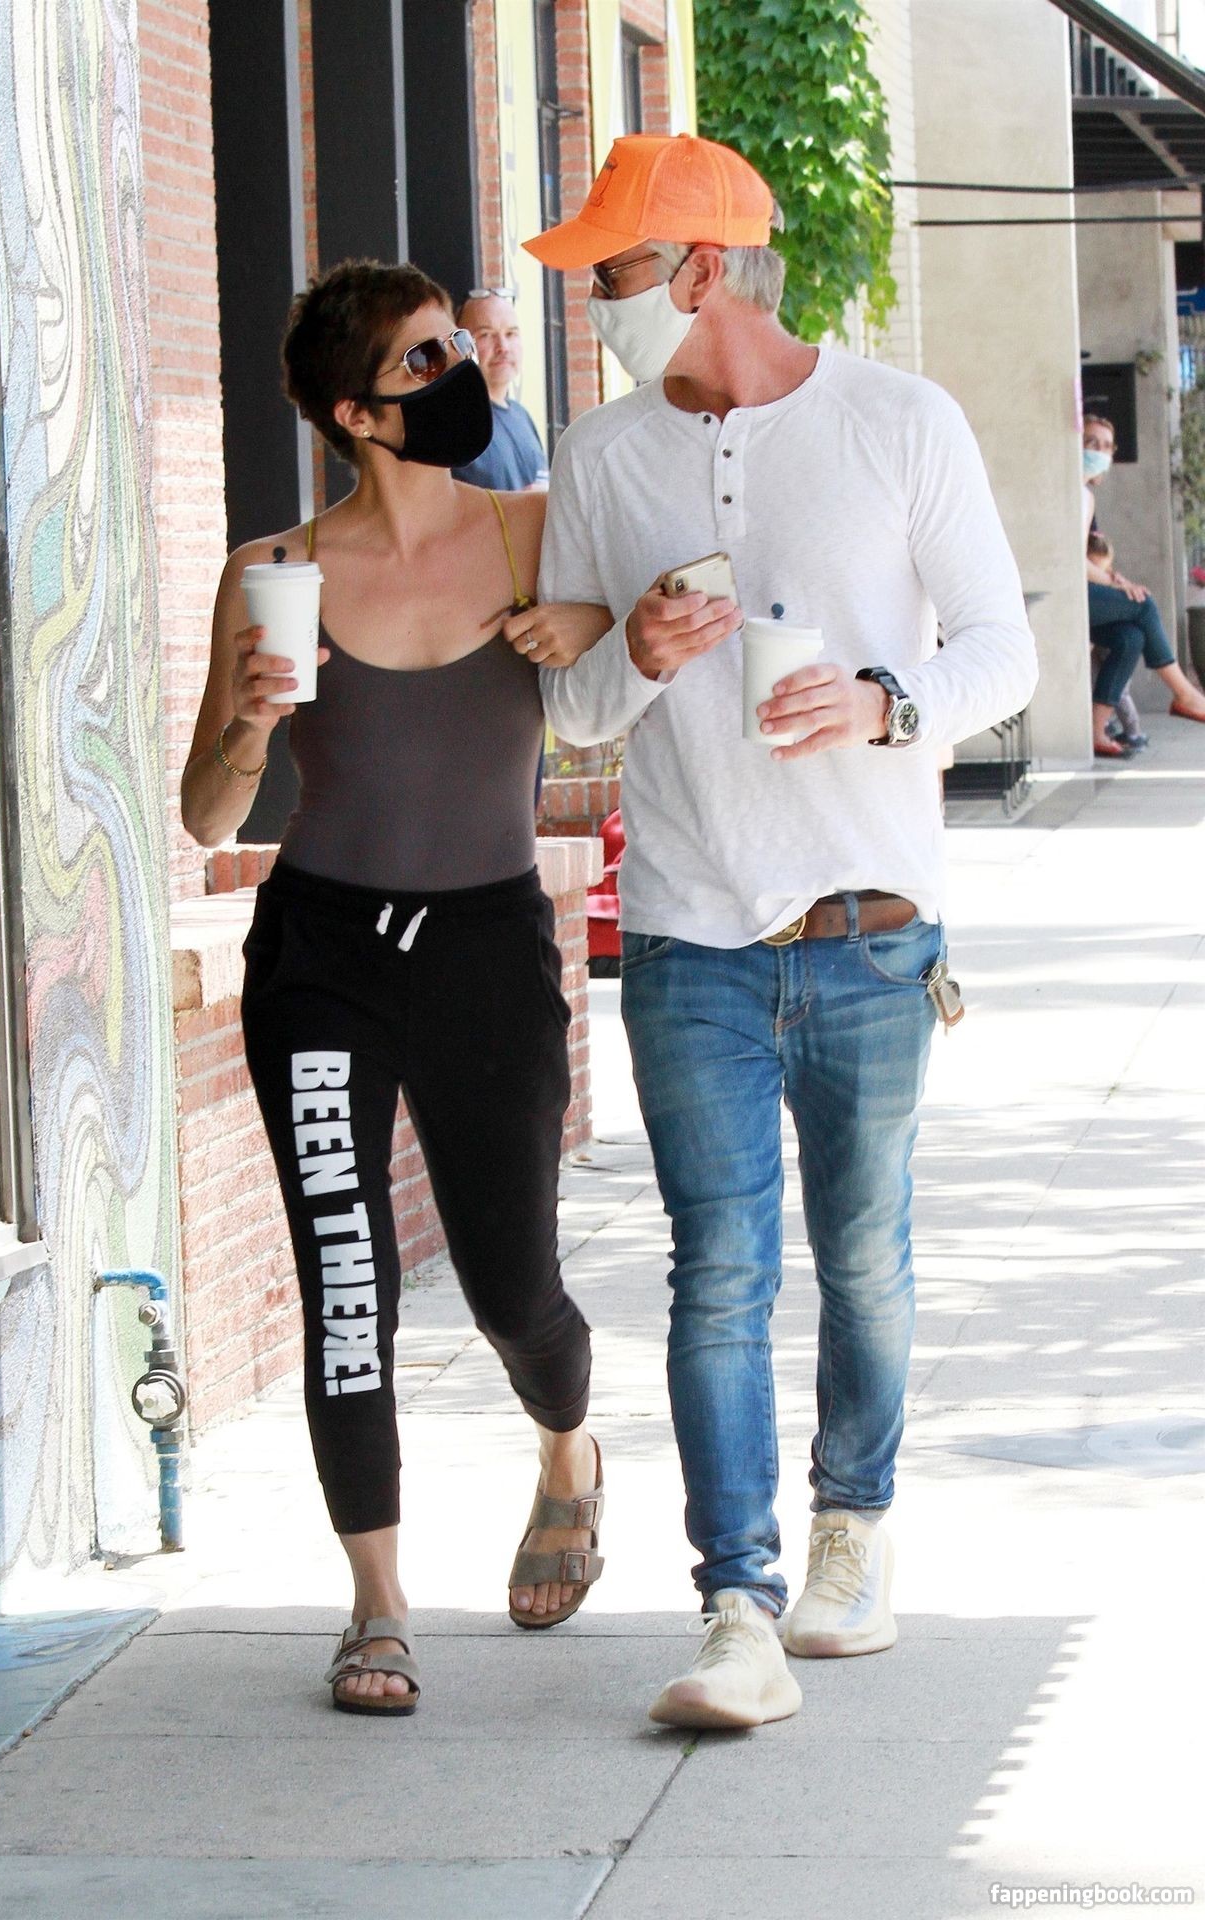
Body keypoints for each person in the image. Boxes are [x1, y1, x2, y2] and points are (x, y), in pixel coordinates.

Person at [518, 132, 1039, 1731]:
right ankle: (735, 1608)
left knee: (865, 1258)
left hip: (872, 931)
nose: (594, 305)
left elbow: (1004, 650)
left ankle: (850, 1535)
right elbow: (572, 710)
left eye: (612, 274)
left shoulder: (900, 421)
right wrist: (641, 652)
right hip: (691, 937)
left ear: (697, 271)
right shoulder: (602, 456)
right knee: (718, 1271)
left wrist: (886, 705)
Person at [181, 259, 611, 1717]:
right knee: (346, 1283)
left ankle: (568, 1452)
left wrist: (591, 628)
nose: (461, 371)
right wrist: (248, 726)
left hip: (488, 946)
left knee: (513, 1287)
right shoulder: (273, 571)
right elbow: (205, 812)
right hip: (323, 959)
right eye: (425, 361)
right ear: (357, 416)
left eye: (454, 346)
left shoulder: (536, 533)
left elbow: (659, 643)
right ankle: (376, 1604)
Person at [1082, 413, 1205, 754]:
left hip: (1084, 590)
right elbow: (1070, 562)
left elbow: (1089, 557)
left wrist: (1115, 579)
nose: (1098, 451)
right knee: (1143, 604)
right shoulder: (1075, 495)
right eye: (1090, 443)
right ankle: (1184, 694)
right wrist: (1115, 585)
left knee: (1130, 638)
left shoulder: (1085, 496)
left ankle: (1096, 730)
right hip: (1067, 594)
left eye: (1105, 446)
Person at [451, 289, 549, 491]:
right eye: (486, 335)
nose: (503, 347)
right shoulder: (452, 421)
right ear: (459, 345)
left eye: (511, 334)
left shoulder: (522, 417)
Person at [1086, 532, 1147, 753]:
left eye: (1102, 569)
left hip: (1117, 649)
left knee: (1119, 692)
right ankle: (1106, 726)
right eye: (1093, 568)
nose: (1098, 574)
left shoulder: (1113, 582)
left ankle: (1133, 733)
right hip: (1100, 647)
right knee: (1099, 687)